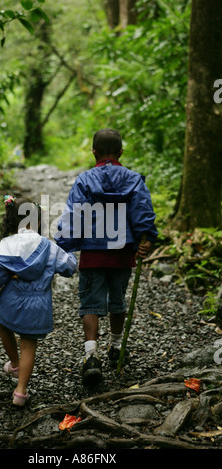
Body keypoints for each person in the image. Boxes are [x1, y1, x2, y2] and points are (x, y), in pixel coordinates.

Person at [55, 128, 158, 386]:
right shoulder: (133, 180)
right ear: (121, 151)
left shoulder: (84, 180)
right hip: (123, 253)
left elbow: (74, 216)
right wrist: (146, 240)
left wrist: (65, 245)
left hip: (92, 253)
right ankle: (115, 346)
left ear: (94, 152)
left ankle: (91, 356)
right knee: (118, 299)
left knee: (90, 302)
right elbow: (143, 211)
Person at [0, 195, 77, 406]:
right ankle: (20, 391)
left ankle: (15, 364)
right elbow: (69, 268)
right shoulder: (48, 247)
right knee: (29, 345)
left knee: (3, 324)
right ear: (37, 221)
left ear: (12, 220)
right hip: (38, 306)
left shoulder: (5, 245)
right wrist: (70, 249)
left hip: (11, 302)